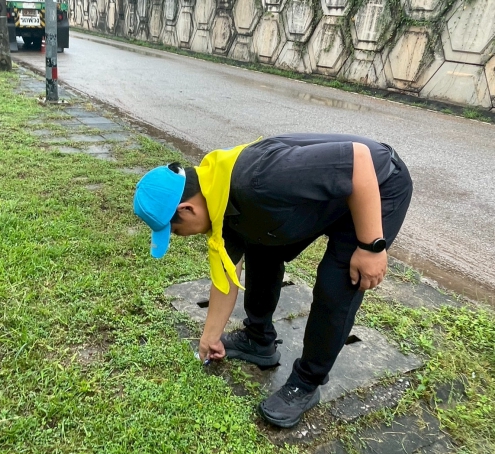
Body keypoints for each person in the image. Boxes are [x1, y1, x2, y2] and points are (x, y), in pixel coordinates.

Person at [133, 133, 413, 428]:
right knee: (260, 243)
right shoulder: (216, 196)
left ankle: (306, 383)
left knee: (337, 285)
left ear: (187, 210)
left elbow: (358, 161)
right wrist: (210, 337)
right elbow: (226, 274)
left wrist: (372, 246)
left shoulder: (258, 178)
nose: (181, 237)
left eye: (176, 231)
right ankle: (258, 340)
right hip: (329, 196)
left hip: (376, 185)